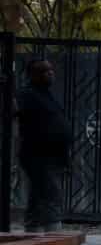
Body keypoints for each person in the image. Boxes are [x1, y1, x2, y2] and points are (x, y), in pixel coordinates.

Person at [16, 58, 70, 231]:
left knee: (39, 194)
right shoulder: (27, 94)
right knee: (51, 194)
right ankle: (54, 233)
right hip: (38, 154)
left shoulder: (46, 94)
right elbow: (14, 111)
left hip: (53, 154)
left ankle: (31, 230)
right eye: (45, 71)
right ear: (33, 75)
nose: (50, 73)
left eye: (51, 70)